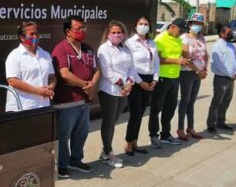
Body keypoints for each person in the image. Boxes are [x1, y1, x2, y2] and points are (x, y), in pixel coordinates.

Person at [52, 15, 100, 178]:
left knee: (82, 132)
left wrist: (92, 85)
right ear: (68, 31)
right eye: (79, 28)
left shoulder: (87, 48)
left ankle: (76, 160)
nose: (82, 31)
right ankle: (63, 164)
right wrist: (85, 85)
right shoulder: (61, 49)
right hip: (67, 101)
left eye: (83, 28)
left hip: (84, 100)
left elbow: (97, 69)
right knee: (64, 134)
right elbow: (64, 74)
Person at [97, 20, 139, 168]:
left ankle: (104, 151)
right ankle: (109, 153)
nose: (116, 35)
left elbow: (132, 68)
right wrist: (123, 84)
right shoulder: (104, 49)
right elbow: (107, 72)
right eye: (113, 32)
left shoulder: (126, 49)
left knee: (113, 122)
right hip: (109, 90)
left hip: (124, 90)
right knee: (108, 123)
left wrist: (130, 82)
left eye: (119, 32)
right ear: (108, 34)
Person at [149, 18, 190, 148]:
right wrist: (176, 61)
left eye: (184, 31)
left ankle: (165, 134)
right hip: (162, 78)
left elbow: (179, 56)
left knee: (170, 108)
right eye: (180, 30)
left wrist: (184, 60)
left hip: (175, 77)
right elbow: (157, 60)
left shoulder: (179, 39)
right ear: (172, 27)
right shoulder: (160, 39)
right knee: (156, 108)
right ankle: (154, 136)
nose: (181, 33)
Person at [125, 16, 160, 155]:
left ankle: (135, 142)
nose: (143, 26)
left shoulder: (152, 42)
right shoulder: (130, 43)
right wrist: (141, 82)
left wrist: (155, 80)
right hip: (135, 79)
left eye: (146, 24)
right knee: (134, 114)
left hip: (150, 79)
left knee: (140, 115)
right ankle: (128, 143)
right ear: (135, 26)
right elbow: (130, 65)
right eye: (140, 24)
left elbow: (156, 63)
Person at [5, 21, 56, 112]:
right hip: (22, 108)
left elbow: (52, 77)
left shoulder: (46, 55)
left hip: (43, 106)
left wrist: (50, 87)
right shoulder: (14, 55)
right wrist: (37, 91)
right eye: (32, 34)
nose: (35, 37)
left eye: (37, 33)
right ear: (22, 37)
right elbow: (12, 81)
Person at [176, 13, 209, 141]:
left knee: (192, 102)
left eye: (200, 24)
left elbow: (206, 54)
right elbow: (186, 58)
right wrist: (198, 71)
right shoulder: (184, 38)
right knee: (184, 101)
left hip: (198, 73)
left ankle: (190, 127)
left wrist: (205, 69)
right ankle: (180, 128)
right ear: (189, 24)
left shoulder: (202, 38)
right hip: (187, 73)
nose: (197, 26)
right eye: (195, 23)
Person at [207, 24, 236, 134]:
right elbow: (218, 64)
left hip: (231, 79)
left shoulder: (231, 45)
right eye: (228, 33)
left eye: (231, 32)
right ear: (221, 33)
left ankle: (221, 122)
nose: (231, 34)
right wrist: (229, 73)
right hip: (221, 78)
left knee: (226, 101)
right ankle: (211, 124)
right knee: (217, 102)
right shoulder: (217, 46)